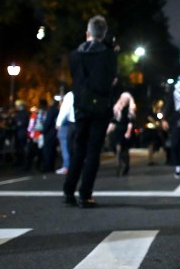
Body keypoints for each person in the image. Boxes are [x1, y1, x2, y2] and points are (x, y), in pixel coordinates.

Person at [61, 15, 118, 208]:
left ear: (88, 33)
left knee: (79, 148)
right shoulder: (109, 54)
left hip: (81, 106)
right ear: (104, 34)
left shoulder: (74, 55)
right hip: (100, 107)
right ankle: (85, 195)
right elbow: (111, 79)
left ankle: (69, 191)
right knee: (93, 151)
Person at [111, 91, 136, 176]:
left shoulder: (130, 109)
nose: (124, 100)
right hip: (117, 131)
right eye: (123, 98)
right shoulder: (117, 108)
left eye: (127, 99)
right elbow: (113, 121)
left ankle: (125, 165)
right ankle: (118, 166)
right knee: (117, 149)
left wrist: (128, 132)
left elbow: (130, 122)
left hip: (125, 130)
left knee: (124, 150)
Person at [55, 90, 75, 174]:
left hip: (73, 123)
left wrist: (58, 122)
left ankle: (67, 166)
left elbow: (64, 109)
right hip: (85, 122)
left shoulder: (71, 95)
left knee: (67, 148)